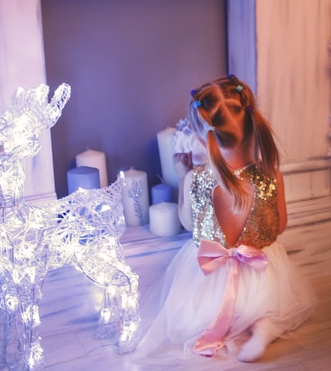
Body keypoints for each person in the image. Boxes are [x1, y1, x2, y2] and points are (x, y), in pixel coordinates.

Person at [136, 75, 317, 363]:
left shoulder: (196, 179)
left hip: (209, 280)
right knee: (266, 305)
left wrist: (183, 177)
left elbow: (187, 224)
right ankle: (263, 326)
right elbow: (280, 227)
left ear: (202, 137)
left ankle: (228, 325)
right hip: (261, 278)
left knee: (192, 312)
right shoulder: (272, 175)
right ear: (251, 125)